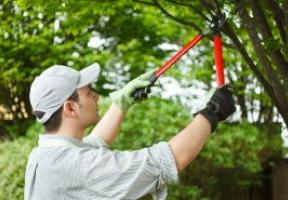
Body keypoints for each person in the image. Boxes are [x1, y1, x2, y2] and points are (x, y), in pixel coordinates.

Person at [24, 63, 236, 200]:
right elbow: (163, 162)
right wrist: (212, 113)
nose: (97, 96)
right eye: (89, 93)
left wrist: (123, 102)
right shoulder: (74, 165)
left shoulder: (44, 156)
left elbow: (97, 141)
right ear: (70, 108)